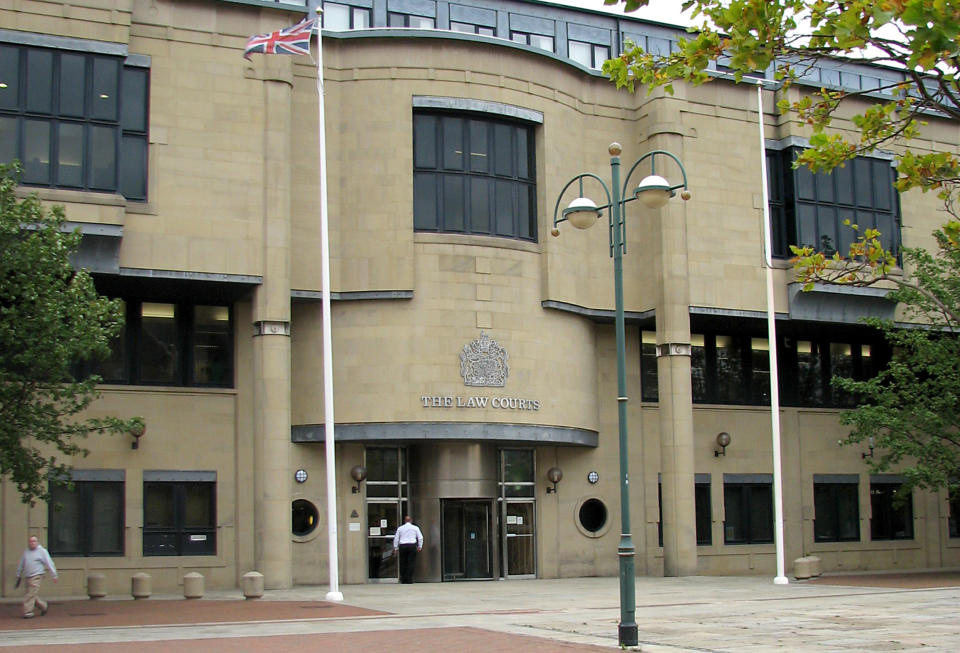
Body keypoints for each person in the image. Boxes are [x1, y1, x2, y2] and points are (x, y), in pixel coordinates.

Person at [15, 535, 58, 618]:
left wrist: (54, 574)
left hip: (36, 576)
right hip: (28, 576)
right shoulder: (26, 552)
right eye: (30, 541)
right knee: (32, 594)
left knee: (29, 594)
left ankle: (27, 612)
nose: (32, 543)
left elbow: (49, 563)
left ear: (37, 542)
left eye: (34, 541)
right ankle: (43, 606)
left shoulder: (42, 551)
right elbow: (21, 564)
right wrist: (18, 574)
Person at [392, 515, 423, 584]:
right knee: (411, 562)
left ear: (404, 521)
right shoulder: (415, 528)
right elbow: (420, 537)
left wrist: (396, 548)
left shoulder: (400, 528)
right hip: (412, 545)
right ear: (411, 520)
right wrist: (419, 546)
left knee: (403, 562)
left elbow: (396, 538)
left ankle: (403, 579)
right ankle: (409, 579)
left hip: (403, 546)